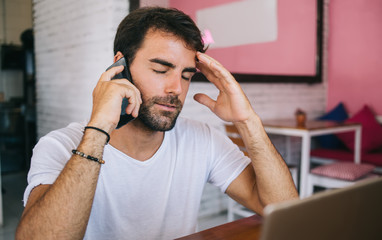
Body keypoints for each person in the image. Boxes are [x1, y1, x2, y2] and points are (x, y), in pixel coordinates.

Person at [16, 7, 298, 240]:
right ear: (119, 67)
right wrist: (99, 129)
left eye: (187, 75)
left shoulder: (202, 139)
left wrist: (247, 121)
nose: (176, 87)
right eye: (161, 69)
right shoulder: (60, 145)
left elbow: (282, 209)